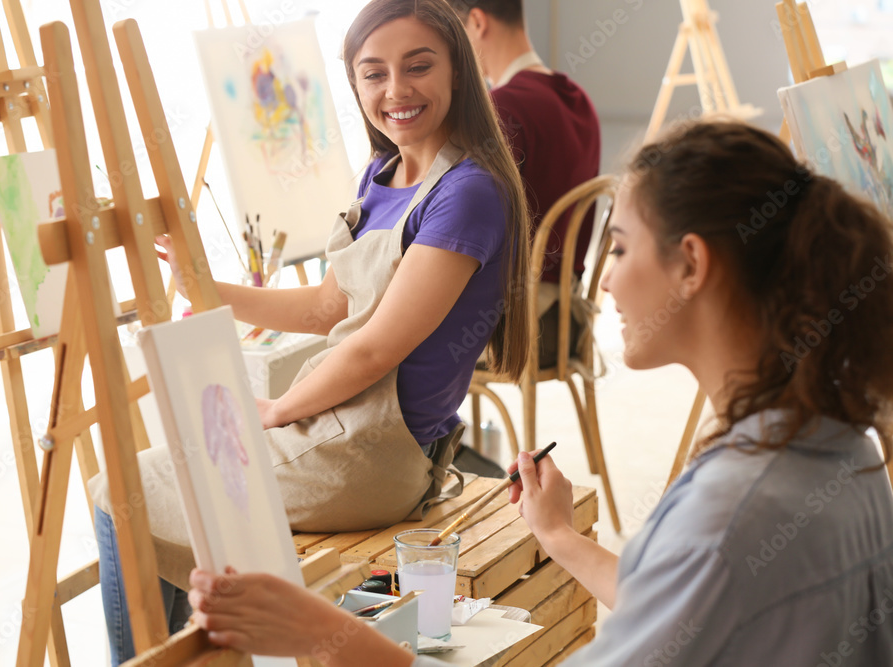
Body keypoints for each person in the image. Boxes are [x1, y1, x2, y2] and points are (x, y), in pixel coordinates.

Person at [186, 120, 893, 666]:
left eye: (617, 246)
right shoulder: (836, 444)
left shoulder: (734, 508)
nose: (605, 279)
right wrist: (556, 535)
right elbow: (693, 609)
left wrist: (321, 632)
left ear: (691, 264)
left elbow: (709, 563)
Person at [88, 0, 531, 662]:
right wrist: (203, 287)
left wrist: (275, 410)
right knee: (161, 480)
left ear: (458, 71)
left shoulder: (465, 192)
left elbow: (377, 345)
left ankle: (141, 658)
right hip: (345, 427)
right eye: (373, 73)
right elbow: (329, 307)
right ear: (353, 84)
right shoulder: (384, 173)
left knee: (116, 487)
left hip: (374, 453)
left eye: (418, 67)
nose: (396, 91)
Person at [456, 0, 600, 367]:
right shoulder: (577, 97)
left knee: (397, 342)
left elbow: (465, 228)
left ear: (476, 22)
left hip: (522, 331)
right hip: (568, 321)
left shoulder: (502, 107)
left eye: (452, 33)